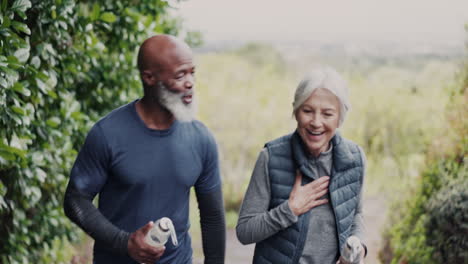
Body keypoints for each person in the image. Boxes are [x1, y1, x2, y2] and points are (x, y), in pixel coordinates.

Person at [64, 35, 226, 264]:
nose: (190, 82)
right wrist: (124, 242)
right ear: (149, 77)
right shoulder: (107, 134)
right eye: (180, 75)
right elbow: (75, 200)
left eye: (192, 72)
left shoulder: (201, 139)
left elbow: (213, 218)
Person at [236, 67, 367, 264]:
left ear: (340, 118)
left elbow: (355, 215)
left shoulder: (354, 159)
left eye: (327, 114)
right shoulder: (271, 157)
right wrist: (290, 209)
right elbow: (245, 231)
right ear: (296, 111)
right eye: (307, 111)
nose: (316, 122)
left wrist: (358, 247)